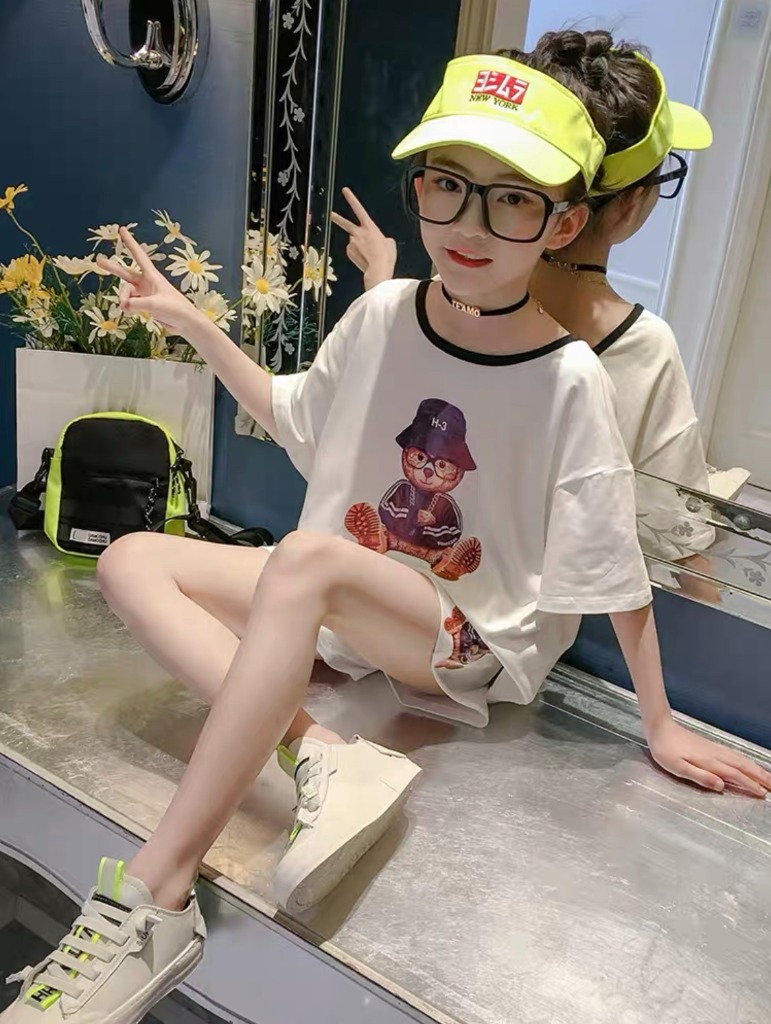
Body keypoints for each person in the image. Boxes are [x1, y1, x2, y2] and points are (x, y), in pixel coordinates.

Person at [5, 50, 769, 1024]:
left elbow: (608, 556)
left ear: (563, 223)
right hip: (346, 605)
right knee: (130, 557)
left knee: (307, 559)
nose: (469, 225)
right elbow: (292, 412)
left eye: (511, 200)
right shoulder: (378, 315)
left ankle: (155, 898)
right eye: (448, 187)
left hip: (464, 639)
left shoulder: (570, 377)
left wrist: (658, 720)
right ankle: (322, 751)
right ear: (420, 191)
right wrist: (191, 322)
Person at [333, 31, 719, 592]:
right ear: (631, 203)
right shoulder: (642, 350)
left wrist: (382, 284)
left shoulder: (454, 291)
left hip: (380, 584)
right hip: (523, 624)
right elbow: (676, 543)